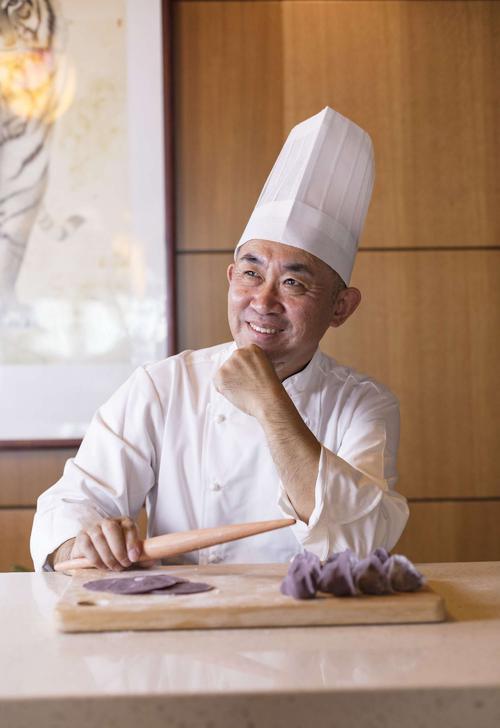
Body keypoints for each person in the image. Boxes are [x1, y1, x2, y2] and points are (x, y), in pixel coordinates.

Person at [30, 106, 409, 572]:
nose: (263, 300)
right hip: (180, 625)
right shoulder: (162, 387)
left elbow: (360, 539)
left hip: (309, 632)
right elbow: (68, 507)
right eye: (251, 274)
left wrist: (269, 401)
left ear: (341, 307)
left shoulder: (364, 406)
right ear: (231, 278)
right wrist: (87, 541)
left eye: (293, 283)